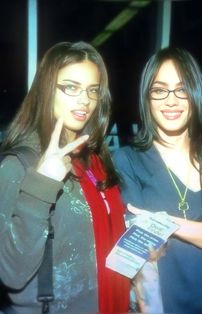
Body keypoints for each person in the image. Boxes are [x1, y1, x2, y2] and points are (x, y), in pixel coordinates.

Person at [0, 41, 130, 314]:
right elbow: (11, 272)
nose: (84, 100)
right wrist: (41, 186)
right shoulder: (19, 164)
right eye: (71, 87)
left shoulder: (95, 161)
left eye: (92, 90)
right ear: (47, 90)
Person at [113, 46, 202, 313]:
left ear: (196, 95)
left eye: (182, 89)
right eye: (159, 90)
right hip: (166, 304)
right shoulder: (127, 161)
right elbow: (139, 249)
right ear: (147, 99)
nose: (171, 100)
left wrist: (167, 223)